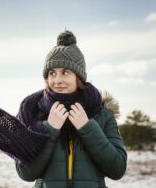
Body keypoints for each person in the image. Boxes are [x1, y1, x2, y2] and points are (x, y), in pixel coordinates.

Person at [15, 30, 127, 188]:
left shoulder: (102, 114)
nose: (57, 80)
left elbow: (118, 169)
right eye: (52, 73)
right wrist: (50, 129)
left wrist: (87, 128)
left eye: (65, 72)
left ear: (78, 77)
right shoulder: (34, 113)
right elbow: (25, 173)